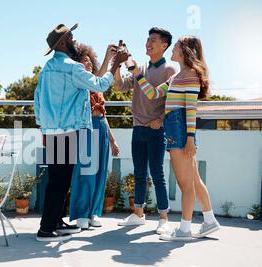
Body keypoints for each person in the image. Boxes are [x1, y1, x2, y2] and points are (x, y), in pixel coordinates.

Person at [34, 23, 128, 242]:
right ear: (63, 42)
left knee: (58, 179)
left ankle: (55, 222)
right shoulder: (72, 67)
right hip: (68, 133)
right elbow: (100, 85)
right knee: (60, 181)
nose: (75, 42)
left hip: (52, 132)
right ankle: (46, 230)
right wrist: (116, 64)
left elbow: (37, 101)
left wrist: (44, 129)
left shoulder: (46, 69)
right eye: (72, 38)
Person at [128, 35, 221, 241]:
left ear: (185, 51)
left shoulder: (190, 76)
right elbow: (152, 94)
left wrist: (189, 139)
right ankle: (210, 221)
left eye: (176, 46)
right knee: (194, 180)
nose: (173, 49)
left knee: (185, 183)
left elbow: (190, 110)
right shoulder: (177, 77)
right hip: (175, 129)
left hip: (179, 130)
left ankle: (185, 230)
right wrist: (136, 73)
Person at [114, 27, 176, 235]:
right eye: (147, 39)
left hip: (156, 130)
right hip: (137, 128)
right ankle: (138, 215)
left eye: (153, 40)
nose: (148, 43)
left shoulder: (170, 70)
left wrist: (160, 120)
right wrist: (117, 63)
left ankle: (163, 219)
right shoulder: (139, 68)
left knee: (157, 174)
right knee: (140, 173)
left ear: (164, 45)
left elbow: (171, 103)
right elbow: (120, 86)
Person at [69, 43, 120, 229]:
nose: (88, 64)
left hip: (101, 128)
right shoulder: (80, 81)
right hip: (85, 128)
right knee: (86, 172)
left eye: (90, 61)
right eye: (84, 61)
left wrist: (112, 141)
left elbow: (104, 116)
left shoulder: (97, 87)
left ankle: (94, 213)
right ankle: (81, 213)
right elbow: (98, 78)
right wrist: (108, 58)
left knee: (99, 173)